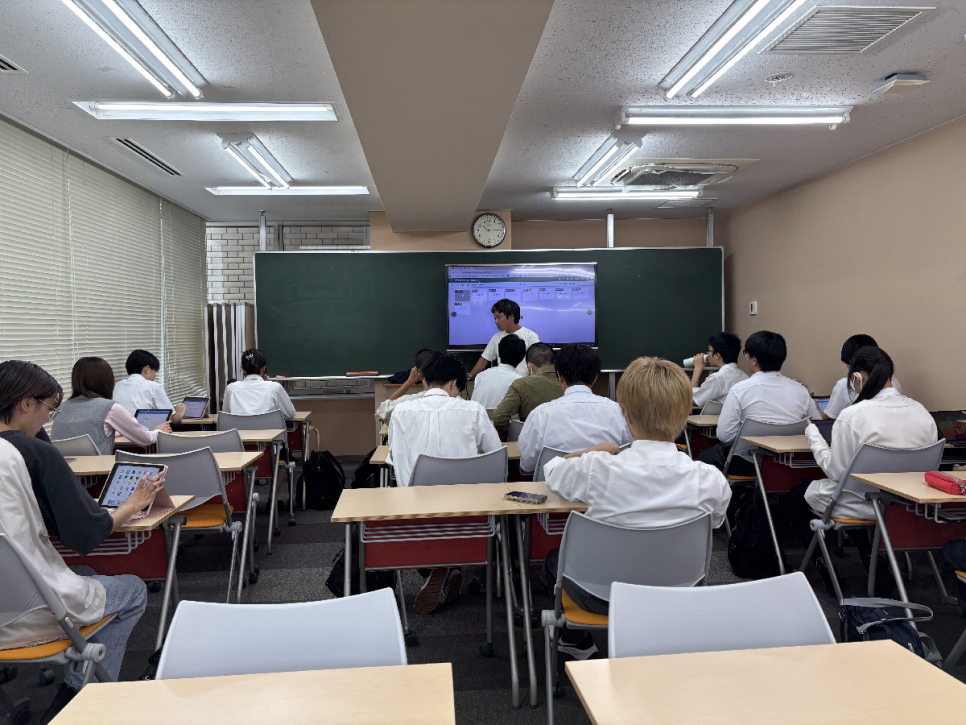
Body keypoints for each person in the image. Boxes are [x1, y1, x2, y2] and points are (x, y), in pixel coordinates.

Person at [0, 361, 163, 723]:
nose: (47, 420)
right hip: (27, 614)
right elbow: (88, 532)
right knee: (133, 590)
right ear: (26, 404)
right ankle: (82, 697)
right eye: (48, 410)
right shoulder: (33, 452)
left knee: (85, 573)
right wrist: (133, 504)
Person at [542, 357, 731, 659]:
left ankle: (574, 640)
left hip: (599, 597)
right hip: (678, 593)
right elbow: (715, 523)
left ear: (626, 415)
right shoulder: (711, 480)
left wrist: (591, 451)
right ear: (684, 414)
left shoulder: (595, 468)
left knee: (553, 560)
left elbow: (551, 470)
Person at [790, 347, 937, 573]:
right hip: (905, 508)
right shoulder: (922, 413)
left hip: (858, 505)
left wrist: (813, 435)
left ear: (857, 378)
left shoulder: (853, 416)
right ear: (892, 376)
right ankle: (869, 555)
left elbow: (835, 472)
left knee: (796, 499)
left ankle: (823, 565)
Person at [386, 352, 502, 613]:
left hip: (413, 519)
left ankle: (437, 565)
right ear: (454, 384)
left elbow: (395, 461)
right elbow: (496, 458)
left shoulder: (401, 411)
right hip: (471, 521)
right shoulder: (473, 410)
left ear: (425, 381)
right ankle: (451, 565)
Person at [698, 331, 821, 477]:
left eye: (746, 354)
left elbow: (724, 435)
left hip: (747, 463)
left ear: (754, 360)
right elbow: (818, 426)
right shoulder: (801, 390)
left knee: (703, 458)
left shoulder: (740, 390)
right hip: (789, 465)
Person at [518, 344, 631, 474]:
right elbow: (630, 454)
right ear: (595, 378)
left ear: (559, 377)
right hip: (605, 485)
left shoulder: (539, 415)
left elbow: (527, 465)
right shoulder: (619, 412)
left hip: (553, 485)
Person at [51, 358, 171, 455]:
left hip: (62, 473)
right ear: (106, 381)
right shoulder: (109, 408)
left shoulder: (62, 408)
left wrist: (113, 433)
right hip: (98, 475)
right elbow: (145, 439)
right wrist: (157, 431)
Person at [492, 343, 562, 441]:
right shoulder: (568, 382)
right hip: (566, 444)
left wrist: (505, 439)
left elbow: (500, 416)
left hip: (532, 444)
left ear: (530, 366)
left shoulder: (521, 384)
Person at [824, 334, 903, 419]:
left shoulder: (844, 385)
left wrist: (815, 408)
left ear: (851, 362)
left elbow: (830, 416)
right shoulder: (892, 381)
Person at [468, 299, 539, 378]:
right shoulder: (497, 337)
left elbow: (536, 365)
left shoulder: (530, 336)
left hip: (523, 382)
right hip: (503, 381)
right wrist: (469, 376)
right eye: (495, 318)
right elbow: (484, 359)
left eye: (499, 318)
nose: (496, 322)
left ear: (511, 316)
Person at [112, 349, 186, 423]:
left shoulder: (117, 386)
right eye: (154, 371)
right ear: (147, 369)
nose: (155, 375)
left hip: (118, 430)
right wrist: (179, 414)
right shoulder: (154, 387)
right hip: (144, 429)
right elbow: (172, 420)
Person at [222, 349, 295, 419]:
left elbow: (225, 415)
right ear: (264, 368)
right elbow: (290, 414)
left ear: (243, 370)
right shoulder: (274, 388)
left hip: (239, 428)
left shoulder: (231, 388)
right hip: (268, 428)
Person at [689, 332, 748, 409]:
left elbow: (690, 400)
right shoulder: (745, 377)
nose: (707, 354)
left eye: (709, 351)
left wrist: (697, 369)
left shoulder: (717, 378)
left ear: (717, 355)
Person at [376, 348, 436, 424]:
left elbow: (382, 410)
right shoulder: (450, 400)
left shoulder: (408, 402)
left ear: (418, 375)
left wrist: (409, 382)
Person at [471, 334, 524, 411]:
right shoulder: (520, 382)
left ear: (498, 355)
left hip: (479, 417)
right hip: (506, 419)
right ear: (521, 359)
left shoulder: (481, 376)